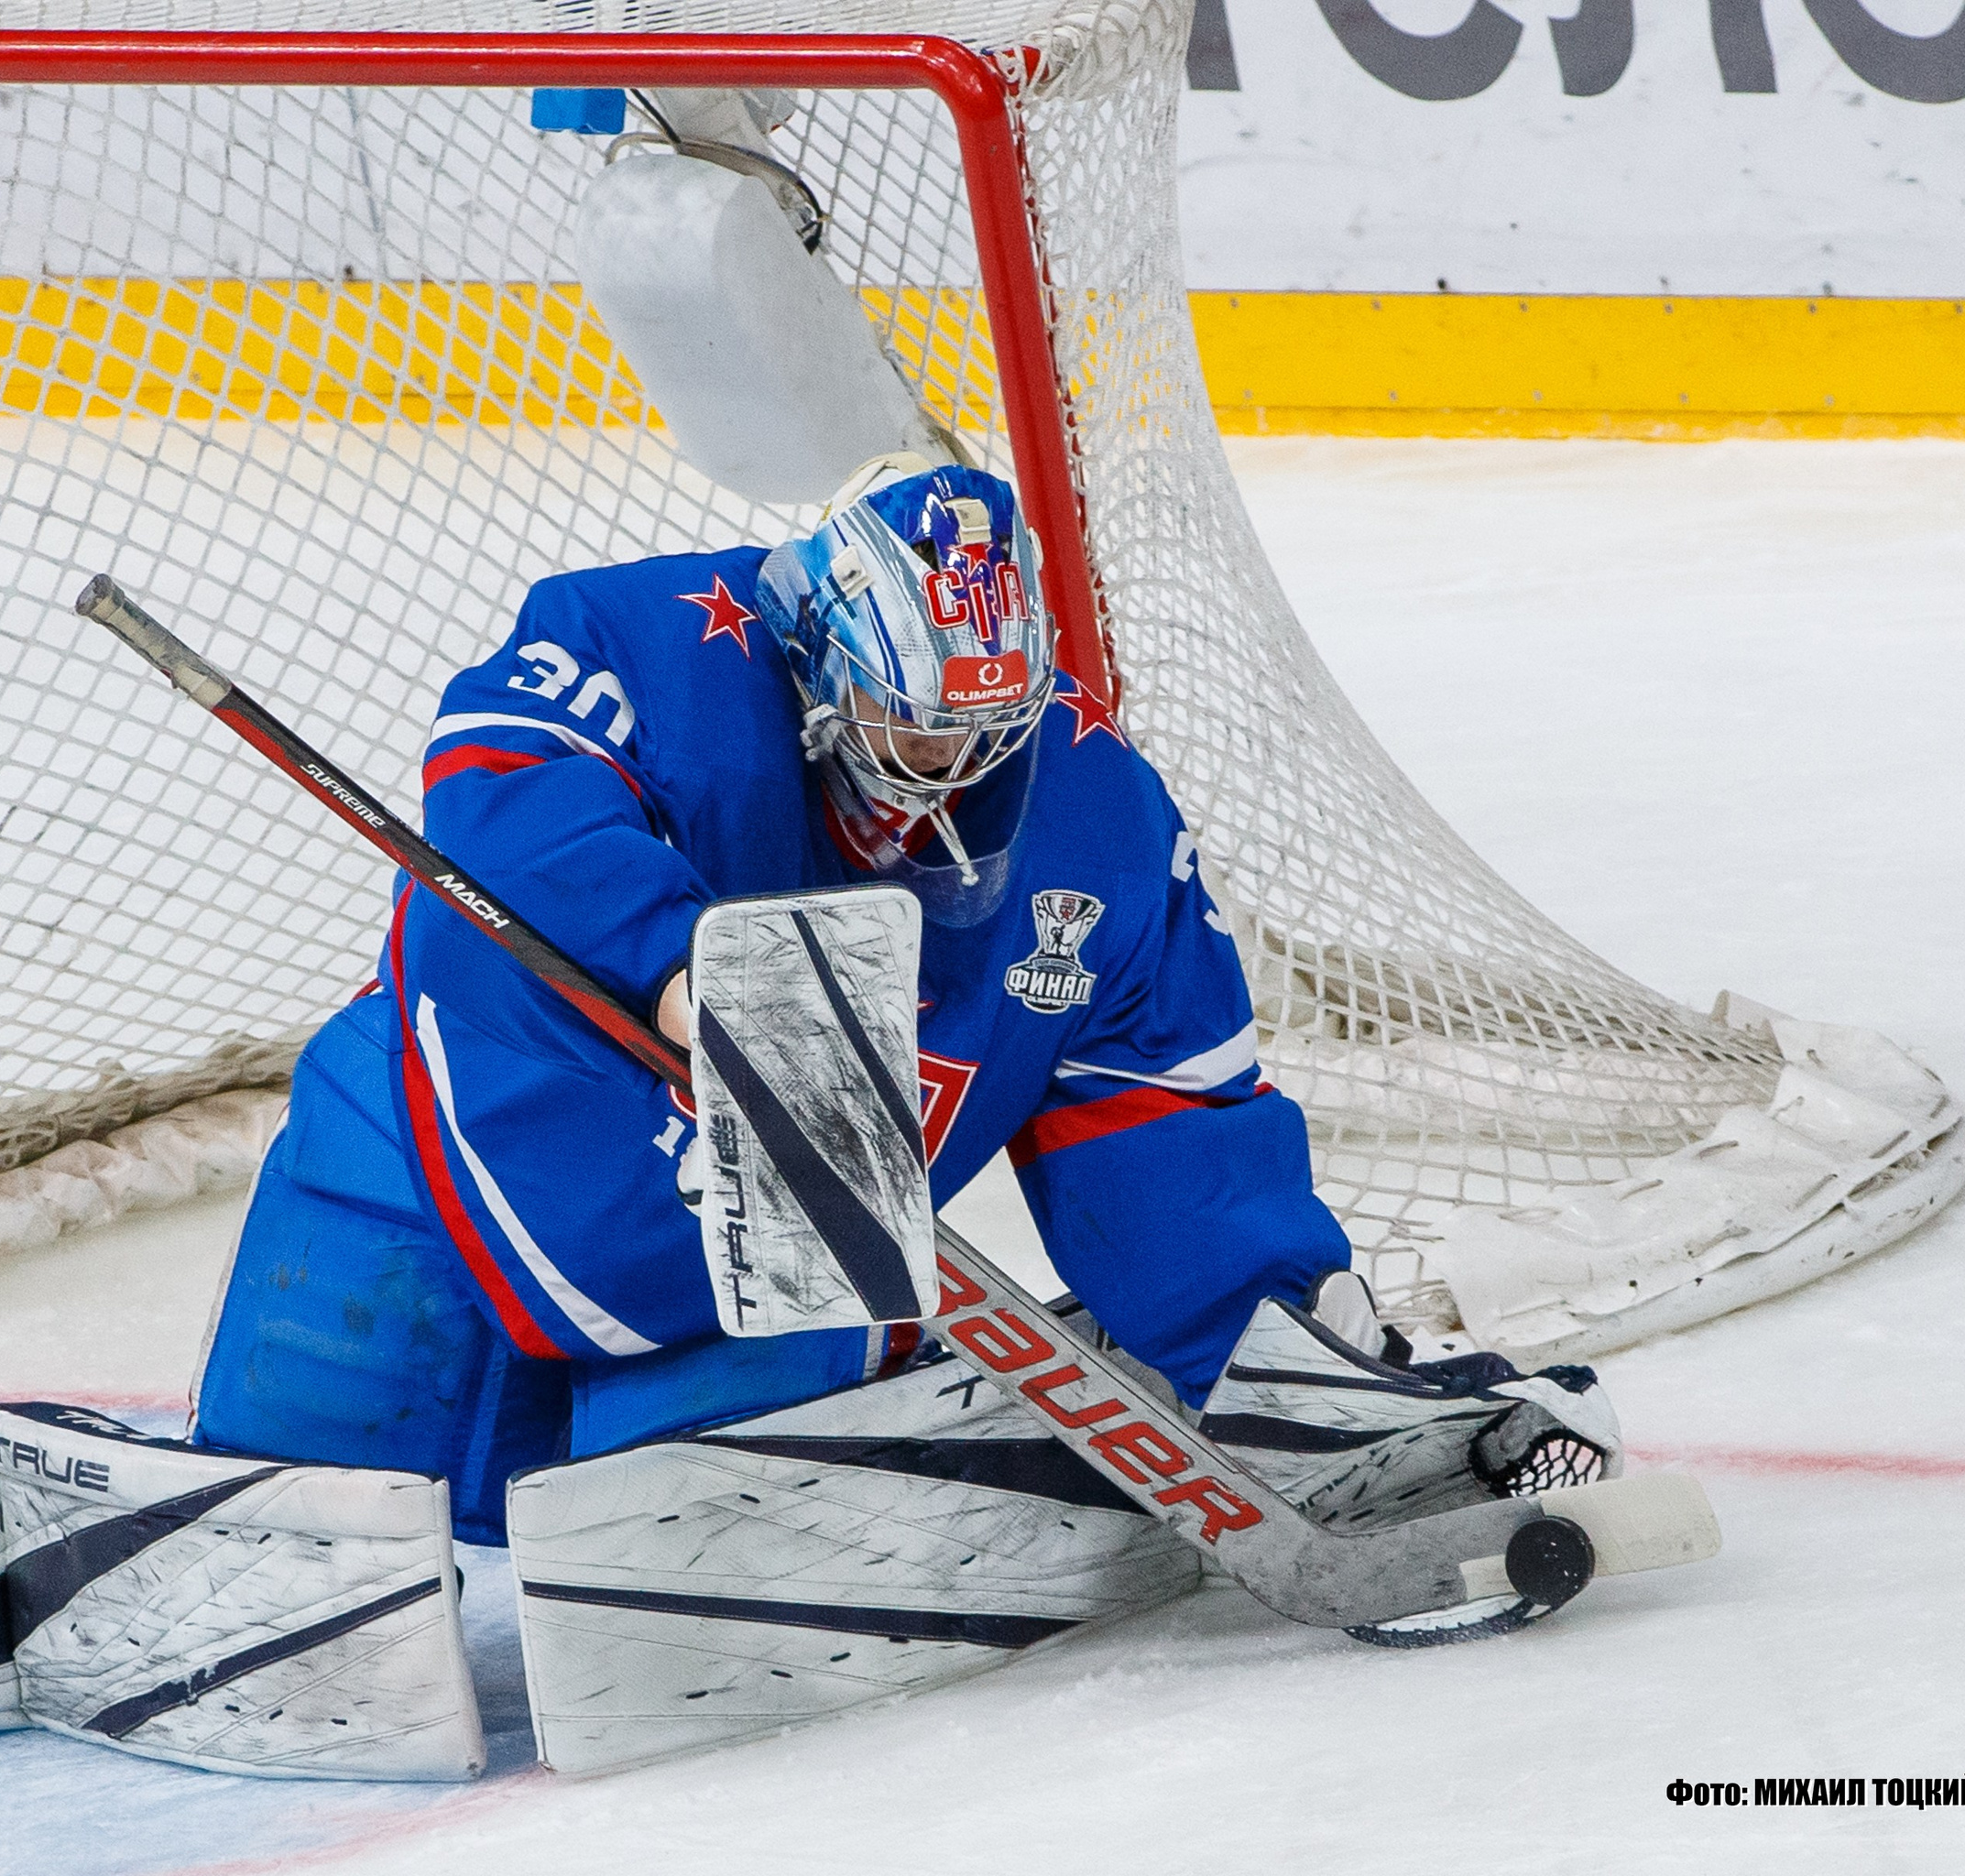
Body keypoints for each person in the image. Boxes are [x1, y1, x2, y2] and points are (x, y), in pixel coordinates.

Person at [191, 454, 1619, 1546]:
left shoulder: (1099, 827)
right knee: (307, 1492)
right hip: (458, 1135)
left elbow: (1161, 1114)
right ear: (815, 664)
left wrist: (1280, 1363)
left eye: (979, 737)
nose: (942, 780)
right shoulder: (644, 645)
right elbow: (508, 785)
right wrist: (689, 975)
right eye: (906, 734)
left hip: (780, 1267)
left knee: (691, 1513)